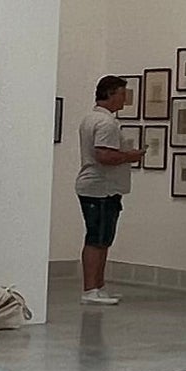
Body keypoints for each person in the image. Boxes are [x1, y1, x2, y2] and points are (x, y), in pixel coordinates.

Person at [74, 74, 138, 304]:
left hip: (102, 187)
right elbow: (104, 155)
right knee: (96, 239)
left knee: (103, 239)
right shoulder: (106, 122)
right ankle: (90, 289)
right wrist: (130, 156)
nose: (125, 99)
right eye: (122, 94)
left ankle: (98, 286)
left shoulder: (93, 118)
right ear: (110, 94)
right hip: (99, 187)